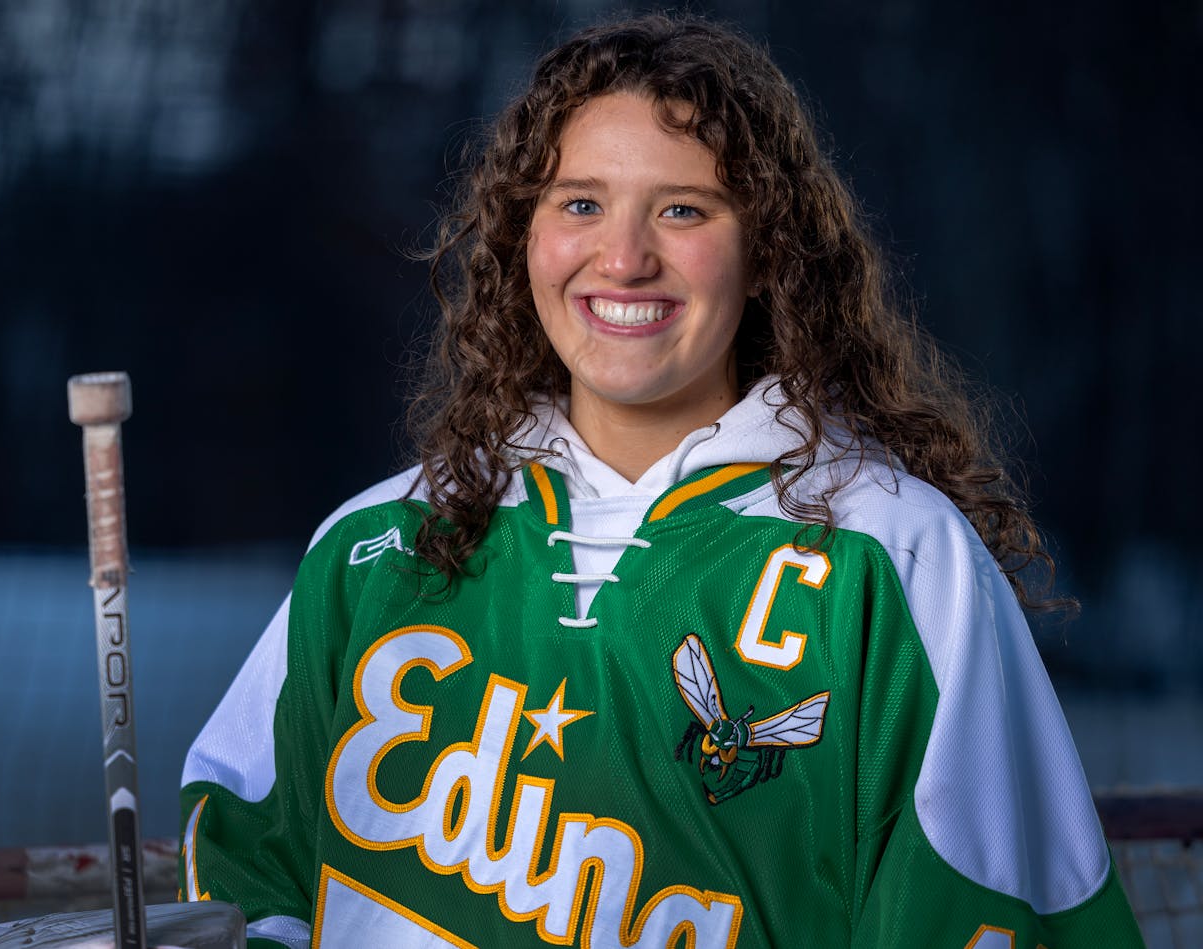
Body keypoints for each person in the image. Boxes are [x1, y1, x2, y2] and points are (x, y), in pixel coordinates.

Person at [179, 13, 1143, 948]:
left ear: (766, 251)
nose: (626, 258)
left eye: (683, 209)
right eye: (582, 203)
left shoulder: (892, 555)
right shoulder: (375, 544)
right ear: (526, 238)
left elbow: (983, 896)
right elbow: (249, 862)